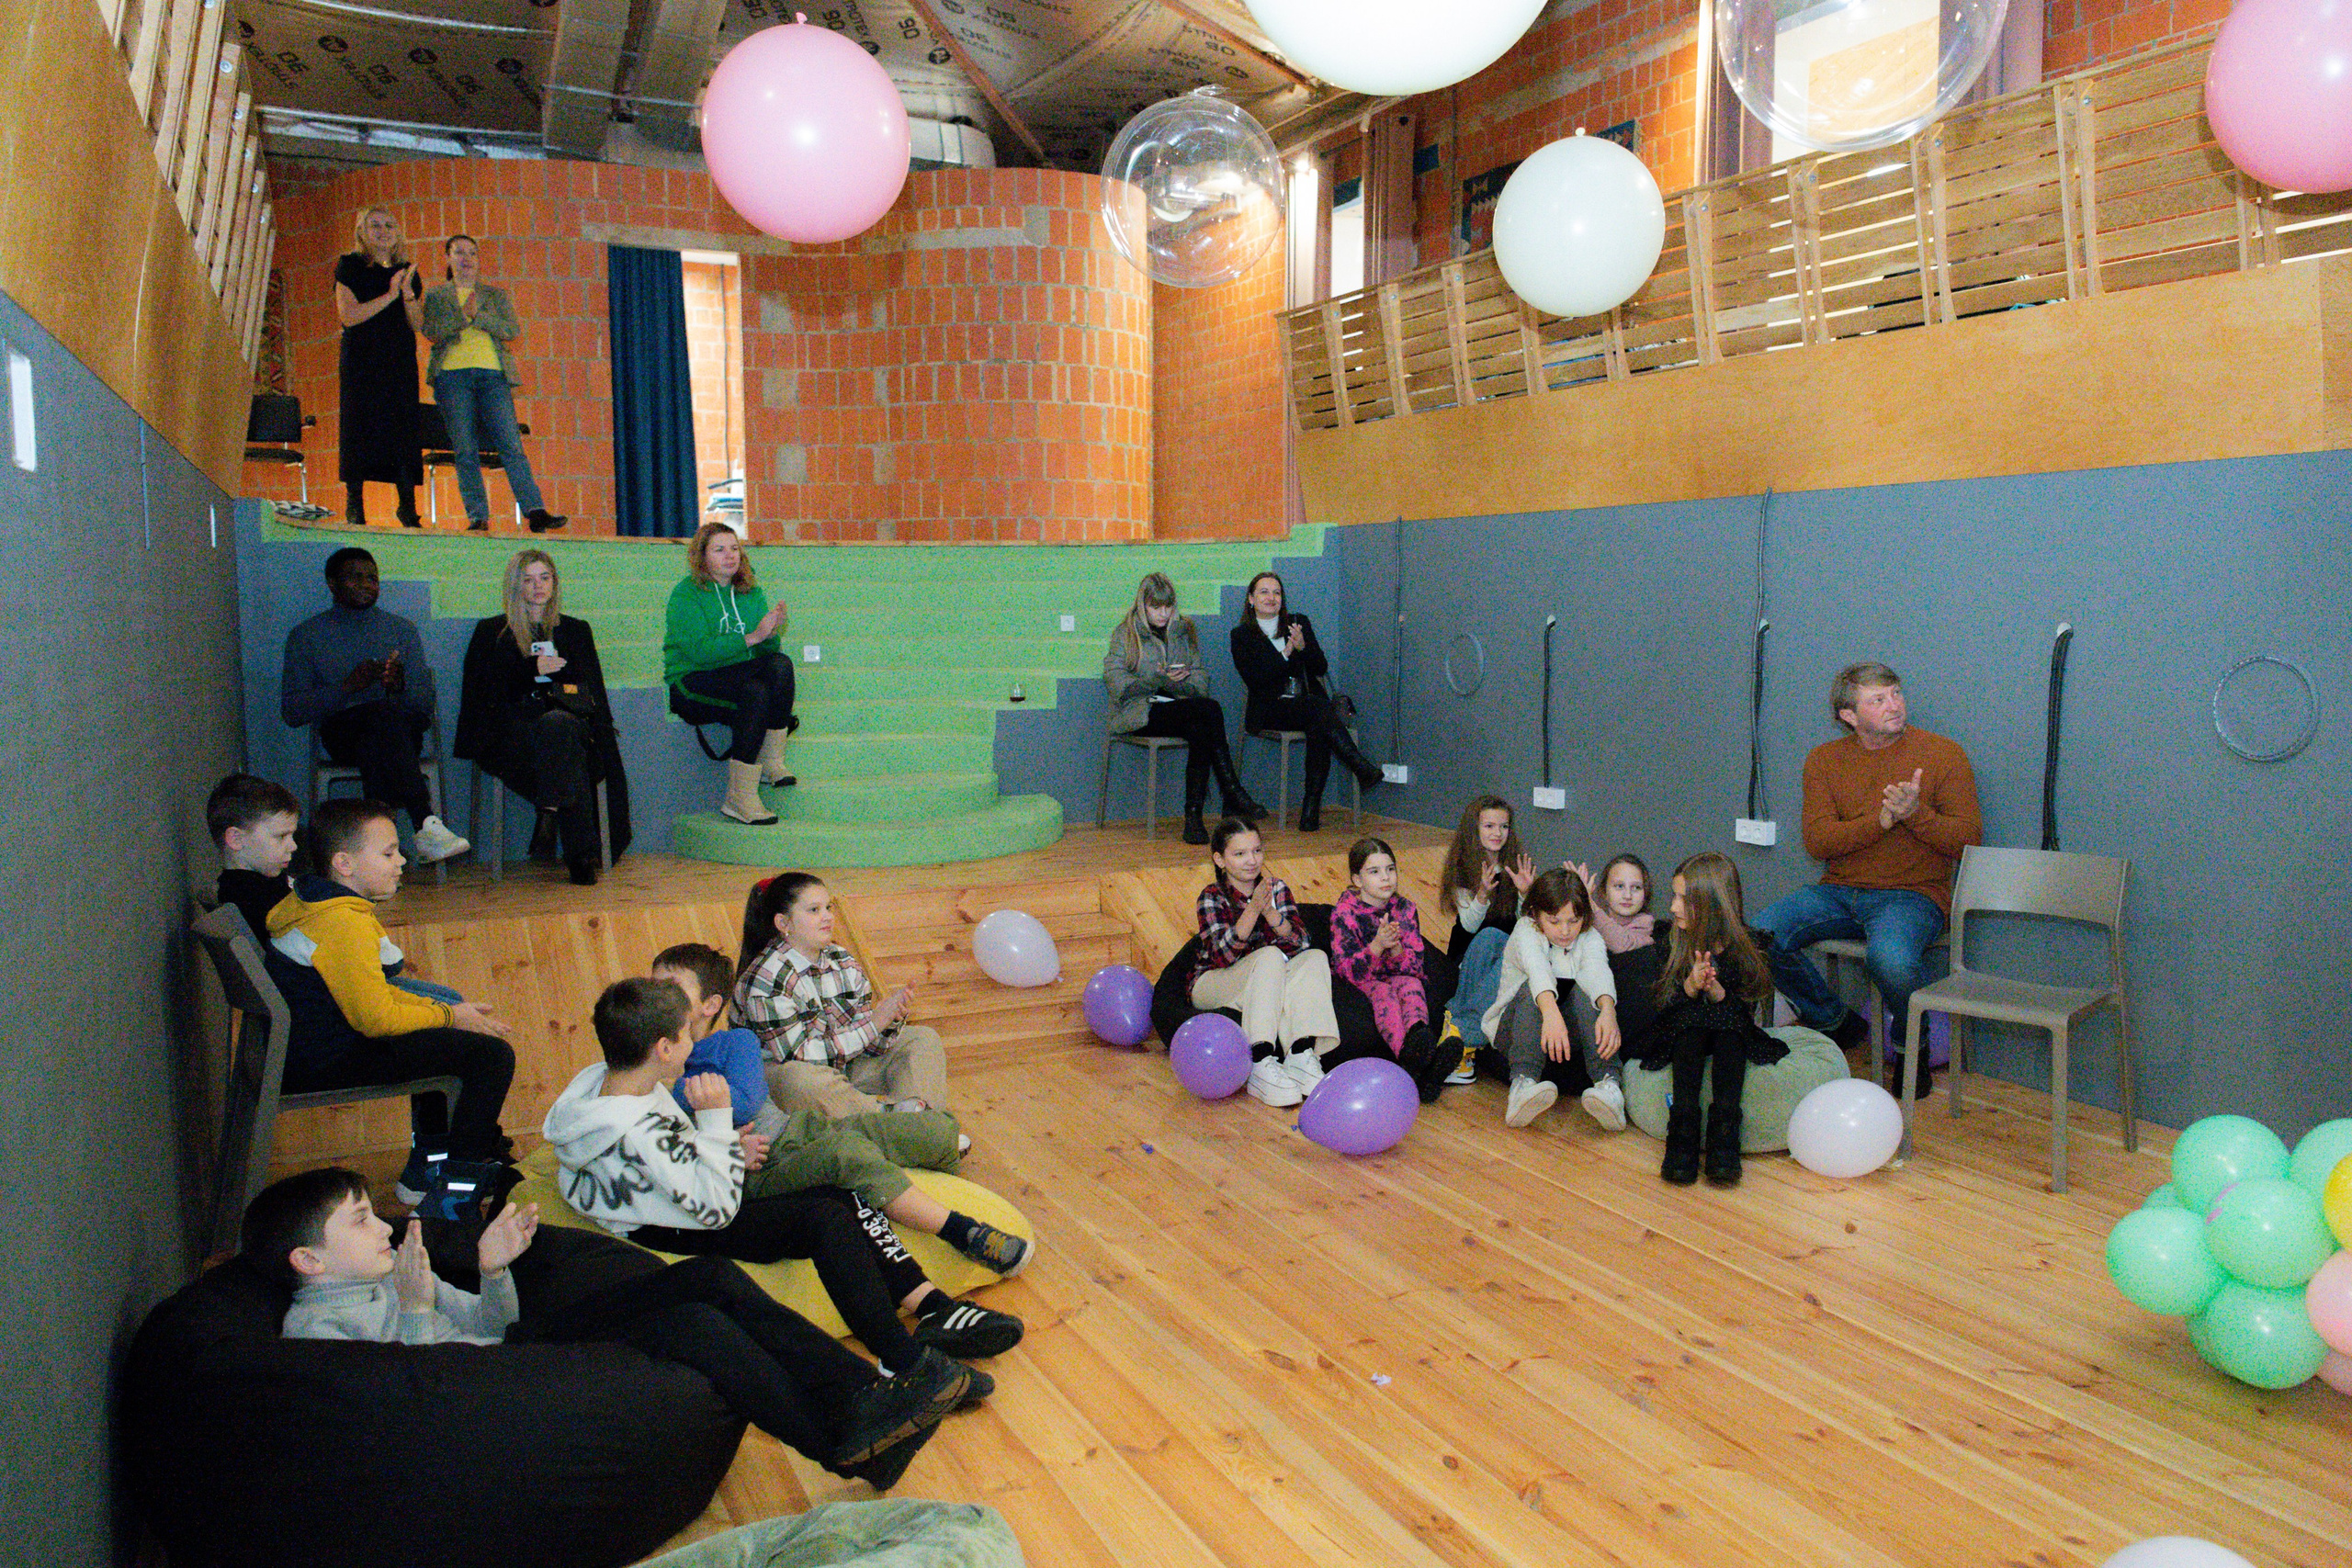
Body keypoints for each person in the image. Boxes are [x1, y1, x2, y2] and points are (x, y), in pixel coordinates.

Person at [244, 1167, 959, 1488]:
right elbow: (425, 1395)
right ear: (307, 1259)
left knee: (702, 1300)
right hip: (499, 1393)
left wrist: (493, 1270)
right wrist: (416, 1306)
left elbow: (493, 1325)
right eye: (360, 1218)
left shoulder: (396, 1270)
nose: (383, 1225)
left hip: (513, 1354)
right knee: (699, 1311)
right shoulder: (316, 1331)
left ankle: (860, 1419)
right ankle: (857, 1423)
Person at [542, 977, 1019, 1380]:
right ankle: (905, 1354)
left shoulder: (603, 1081)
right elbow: (717, 1208)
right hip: (680, 1220)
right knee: (828, 1210)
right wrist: (717, 1127)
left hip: (694, 1187)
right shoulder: (639, 1125)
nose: (693, 1044)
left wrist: (725, 1147)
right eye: (686, 1035)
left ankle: (927, 1312)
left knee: (835, 1193)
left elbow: (667, 1154)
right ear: (664, 1048)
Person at [654, 942, 1034, 1292]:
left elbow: (749, 1100)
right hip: (763, 1162)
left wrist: (694, 1097)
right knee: (846, 1151)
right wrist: (705, 1114)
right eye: (652, 985)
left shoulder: (731, 1042)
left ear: (709, 1005)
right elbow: (666, 1134)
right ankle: (963, 1232)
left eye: (670, 985)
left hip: (797, 1129)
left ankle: (908, 1174)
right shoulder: (654, 1060)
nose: (656, 995)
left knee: (937, 1129)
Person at [263, 798, 514, 1202]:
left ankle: (427, 1173)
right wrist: (449, 1016)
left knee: (449, 1042)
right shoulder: (342, 923)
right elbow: (376, 1020)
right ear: (344, 864)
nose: (401, 861)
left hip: (315, 1045)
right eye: (388, 853)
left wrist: (449, 1015)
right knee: (492, 1057)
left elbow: (374, 994)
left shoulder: (315, 902)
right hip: (325, 1058)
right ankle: (455, 1198)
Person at [1751, 663, 1982, 1098]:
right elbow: (1819, 841)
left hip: (1913, 895)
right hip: (1839, 891)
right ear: (1849, 716)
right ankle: (1833, 1021)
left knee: (1890, 961)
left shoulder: (1943, 754)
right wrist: (1881, 820)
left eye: (1896, 693)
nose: (1894, 705)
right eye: (1878, 699)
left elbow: (1969, 839)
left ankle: (1910, 1047)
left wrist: (1915, 816)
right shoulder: (1824, 760)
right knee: (1759, 933)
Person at [454, 549, 631, 886]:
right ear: (515, 585)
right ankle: (578, 855)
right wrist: (529, 670)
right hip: (512, 737)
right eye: (528, 579)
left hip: (567, 729)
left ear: (555, 583)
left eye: (545, 578)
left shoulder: (575, 630)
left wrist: (605, 737)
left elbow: (593, 690)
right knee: (563, 744)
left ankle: (549, 812)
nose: (538, 587)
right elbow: (482, 695)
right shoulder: (492, 631)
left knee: (561, 728)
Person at [282, 546, 469, 864]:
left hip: (403, 732)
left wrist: (397, 687)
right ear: (332, 583)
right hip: (343, 736)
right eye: (356, 578)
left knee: (384, 723)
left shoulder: (401, 630)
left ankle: (381, 850)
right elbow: (293, 711)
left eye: (373, 578)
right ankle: (425, 824)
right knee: (379, 723)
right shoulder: (307, 635)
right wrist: (347, 688)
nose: (367, 584)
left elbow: (424, 705)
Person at [1627, 853, 1789, 1187]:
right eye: (1674, 896)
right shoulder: (1671, 939)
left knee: (1729, 1033)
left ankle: (1724, 1135)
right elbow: (1664, 1007)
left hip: (1731, 1026)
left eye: (1683, 899)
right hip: (1681, 1026)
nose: (1673, 906)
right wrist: (1689, 986)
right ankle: (1683, 1130)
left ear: (1713, 904)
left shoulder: (1746, 945)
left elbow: (1746, 1011)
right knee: (1691, 1028)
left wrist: (1716, 990)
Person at [734, 874, 951, 1119]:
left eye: (828, 907)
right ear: (784, 923)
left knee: (922, 1038)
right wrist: (873, 1024)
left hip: (841, 1068)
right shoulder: (767, 978)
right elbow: (799, 1056)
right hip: (788, 1077)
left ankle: (923, 1123)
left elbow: (868, 1044)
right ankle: (900, 1122)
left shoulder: (842, 959)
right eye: (814, 910)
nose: (827, 916)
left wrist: (889, 1021)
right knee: (799, 1079)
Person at [1102, 572, 1266, 845]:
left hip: (1179, 708)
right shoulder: (1126, 632)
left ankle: (1194, 819)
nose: (1163, 613)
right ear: (1143, 605)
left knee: (1201, 726)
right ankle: (1232, 792)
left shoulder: (1182, 631)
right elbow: (1115, 681)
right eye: (1156, 607)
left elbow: (1201, 679)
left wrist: (1182, 682)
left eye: (1168, 606)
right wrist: (1157, 679)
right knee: (1209, 711)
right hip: (1140, 711)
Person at [419, 234, 567, 534]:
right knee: (465, 448)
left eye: (472, 253)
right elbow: (431, 331)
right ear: (448, 258)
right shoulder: (437, 296)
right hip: (452, 376)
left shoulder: (494, 295)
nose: (466, 258)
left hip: (493, 376)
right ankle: (478, 516)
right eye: (459, 252)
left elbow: (511, 329)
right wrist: (463, 317)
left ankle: (535, 511)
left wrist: (479, 316)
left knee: (511, 445)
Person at [1189, 818, 1338, 1109]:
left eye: (1257, 851)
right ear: (1220, 859)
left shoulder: (1275, 888)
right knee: (1270, 956)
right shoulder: (1211, 896)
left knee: (1315, 958)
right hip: (1214, 982)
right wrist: (1252, 909)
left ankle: (1301, 1053)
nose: (1251, 860)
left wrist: (1269, 913)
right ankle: (1260, 1060)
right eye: (1240, 853)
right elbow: (1223, 957)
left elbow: (1300, 942)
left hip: (1264, 980)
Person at [664, 522, 797, 827]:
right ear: (702, 556)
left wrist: (770, 632)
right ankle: (745, 790)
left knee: (779, 666)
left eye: (734, 548)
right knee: (757, 687)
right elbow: (699, 652)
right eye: (719, 550)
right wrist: (751, 638)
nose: (730, 556)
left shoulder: (751, 591)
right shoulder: (686, 594)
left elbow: (767, 650)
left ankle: (764, 769)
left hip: (735, 676)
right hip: (692, 681)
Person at [1227, 572, 1382, 832]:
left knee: (1317, 717)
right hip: (1270, 708)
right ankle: (1353, 771)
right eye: (1264, 592)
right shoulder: (1241, 635)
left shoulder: (1298, 623)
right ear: (1251, 599)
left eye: (1276, 592)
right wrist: (1287, 652)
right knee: (1319, 712)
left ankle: (1312, 809)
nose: (1271, 598)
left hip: (1306, 704)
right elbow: (1258, 680)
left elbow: (1320, 667)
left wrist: (1303, 647)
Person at [1482, 868, 1623, 1132]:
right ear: (1536, 914)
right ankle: (1523, 1084)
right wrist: (1550, 1012)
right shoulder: (1526, 929)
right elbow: (1537, 970)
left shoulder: (1589, 936)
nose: (1565, 931)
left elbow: (1597, 971)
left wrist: (1607, 1010)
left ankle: (1609, 1085)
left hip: (1561, 1035)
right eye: (1554, 921)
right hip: (1517, 1030)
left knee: (1590, 993)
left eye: (1573, 920)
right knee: (1531, 991)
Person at [1326, 836, 1450, 1100]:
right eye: (1375, 871)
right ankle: (1413, 1061)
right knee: (1384, 993)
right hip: (1363, 980)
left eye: (1390, 869)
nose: (1386, 878)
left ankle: (1421, 1042)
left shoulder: (1405, 909)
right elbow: (1347, 970)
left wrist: (1395, 949)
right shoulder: (1344, 914)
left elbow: (1415, 965)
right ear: (1358, 880)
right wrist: (1377, 946)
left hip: (1397, 975)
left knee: (1411, 985)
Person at [334, 206, 424, 528]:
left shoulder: (406, 270)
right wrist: (391, 294)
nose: (383, 231)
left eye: (389, 225)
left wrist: (409, 296)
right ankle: (355, 506)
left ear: (398, 232)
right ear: (362, 231)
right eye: (375, 225)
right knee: (359, 426)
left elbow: (417, 323)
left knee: (402, 428)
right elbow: (350, 316)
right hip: (361, 360)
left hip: (399, 360)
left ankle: (407, 507)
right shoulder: (350, 266)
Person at [1436, 795, 1536, 1082]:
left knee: (1502, 942)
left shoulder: (1515, 865)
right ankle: (1463, 1041)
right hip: (1470, 956)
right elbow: (1468, 925)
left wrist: (1525, 894)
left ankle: (1457, 1036)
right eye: (1489, 826)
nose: (1497, 833)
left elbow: (1524, 925)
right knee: (1490, 936)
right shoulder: (1461, 865)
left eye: (1503, 827)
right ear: (1474, 829)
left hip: (1506, 955)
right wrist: (1482, 894)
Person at [209, 773, 302, 942]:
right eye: (281, 836)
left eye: (292, 835)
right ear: (236, 839)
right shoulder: (251, 901)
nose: (293, 846)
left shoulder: (266, 881)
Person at [1570, 853, 1658, 954]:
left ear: (1645, 894)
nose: (1628, 896)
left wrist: (1589, 902)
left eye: (1636, 887)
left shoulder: (1645, 923)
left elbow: (1622, 943)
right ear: (1604, 892)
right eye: (1619, 886)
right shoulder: (1590, 921)